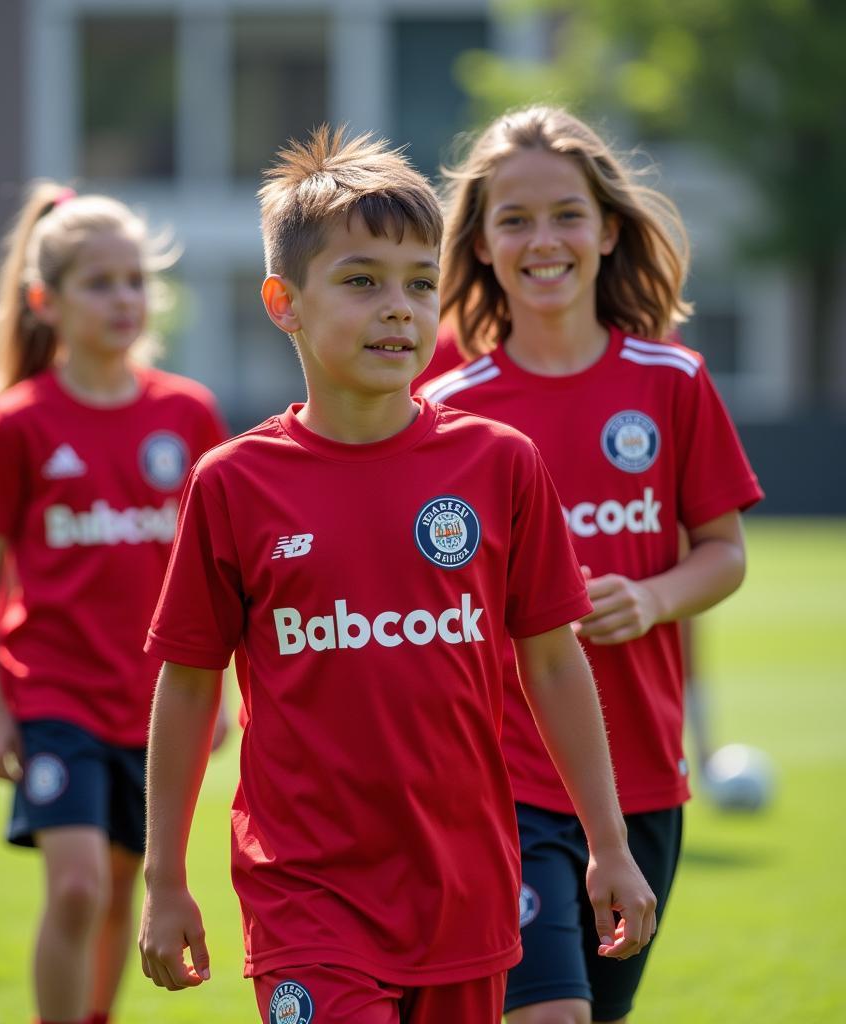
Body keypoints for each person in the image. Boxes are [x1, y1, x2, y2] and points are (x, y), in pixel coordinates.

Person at [138, 126, 656, 1024]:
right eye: (362, 281)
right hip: (305, 895)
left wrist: (606, 845)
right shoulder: (233, 483)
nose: (399, 308)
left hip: (462, 887)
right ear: (284, 301)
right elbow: (187, 688)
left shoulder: (500, 464)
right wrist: (164, 879)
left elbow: (554, 662)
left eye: (420, 283)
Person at [419, 105, 764, 1023]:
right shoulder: (446, 410)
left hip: (646, 777)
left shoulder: (672, 379)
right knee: (550, 1014)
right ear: (482, 245)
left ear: (609, 229)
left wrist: (652, 599)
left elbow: (724, 553)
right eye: (514, 219)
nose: (544, 239)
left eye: (566, 213)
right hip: (504, 770)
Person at [0, 184, 227, 1024]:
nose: (123, 299)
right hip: (53, 693)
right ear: (48, 301)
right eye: (99, 282)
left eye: (135, 280)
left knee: (118, 887)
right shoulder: (19, 421)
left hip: (149, 702)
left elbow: (221, 572)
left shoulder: (186, 413)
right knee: (73, 886)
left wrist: (221, 697)